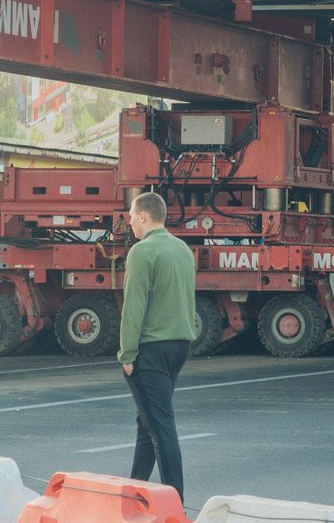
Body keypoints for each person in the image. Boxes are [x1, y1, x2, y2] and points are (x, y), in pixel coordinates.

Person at [118, 191, 197, 500]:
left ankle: (174, 503)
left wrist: (127, 353)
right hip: (179, 345)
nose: (128, 222)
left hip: (151, 348)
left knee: (161, 425)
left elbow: (133, 306)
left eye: (130, 216)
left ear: (143, 216)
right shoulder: (182, 249)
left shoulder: (142, 251)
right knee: (148, 422)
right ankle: (134, 492)